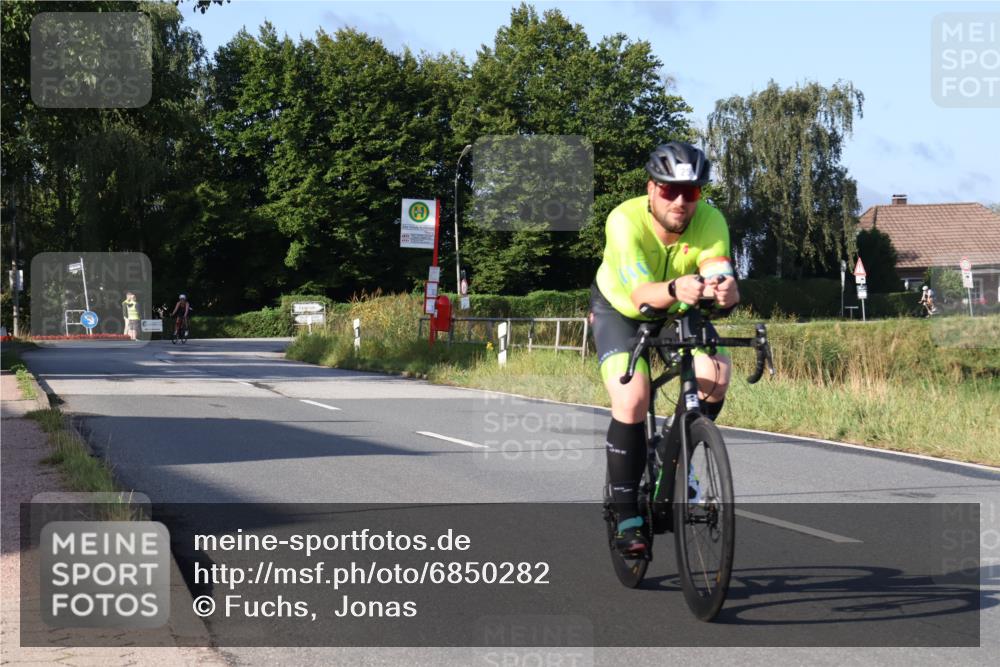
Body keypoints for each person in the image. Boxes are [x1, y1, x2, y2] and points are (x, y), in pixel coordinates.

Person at [590, 141, 740, 557]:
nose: (679, 201)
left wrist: (725, 289)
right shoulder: (624, 220)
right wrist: (677, 286)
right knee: (634, 397)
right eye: (669, 190)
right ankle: (626, 516)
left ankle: (675, 457)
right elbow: (640, 292)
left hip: (679, 306)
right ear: (651, 188)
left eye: (690, 192)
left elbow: (717, 268)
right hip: (621, 310)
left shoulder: (710, 220)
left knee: (715, 376)